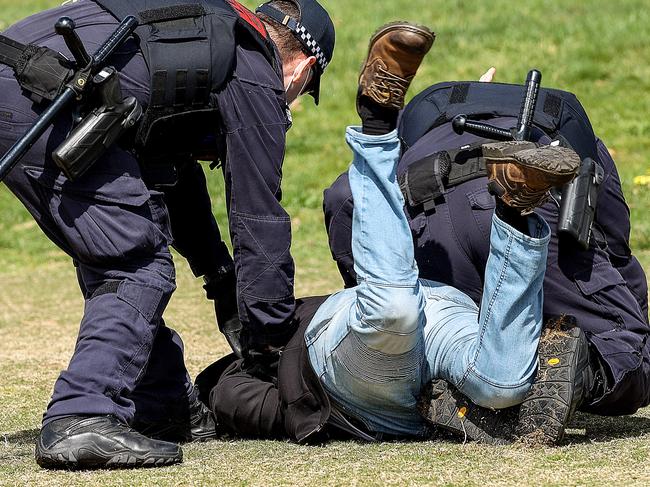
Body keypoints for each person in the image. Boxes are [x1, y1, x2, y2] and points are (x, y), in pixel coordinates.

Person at [197, 22, 584, 446]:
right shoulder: (242, 384)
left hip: (368, 343)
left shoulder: (235, 385)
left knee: (392, 312)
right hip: (439, 320)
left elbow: (239, 400)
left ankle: (377, 122)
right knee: (501, 385)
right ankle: (514, 209)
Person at [0, 0, 334, 470]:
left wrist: (221, 281)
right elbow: (259, 217)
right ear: (302, 65)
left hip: (24, 74)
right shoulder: (254, 67)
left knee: (122, 241)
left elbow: (175, 181)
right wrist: (269, 334)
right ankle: (82, 413)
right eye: (305, 88)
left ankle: (161, 405)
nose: (295, 99)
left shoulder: (199, 39)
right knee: (134, 263)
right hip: (41, 95)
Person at [322, 71, 650, 431]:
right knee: (632, 350)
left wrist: (369, 291)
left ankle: (445, 379)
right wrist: (631, 326)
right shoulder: (568, 124)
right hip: (526, 204)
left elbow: (343, 200)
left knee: (428, 332)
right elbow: (615, 247)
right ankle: (577, 371)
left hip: (418, 219)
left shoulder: (425, 118)